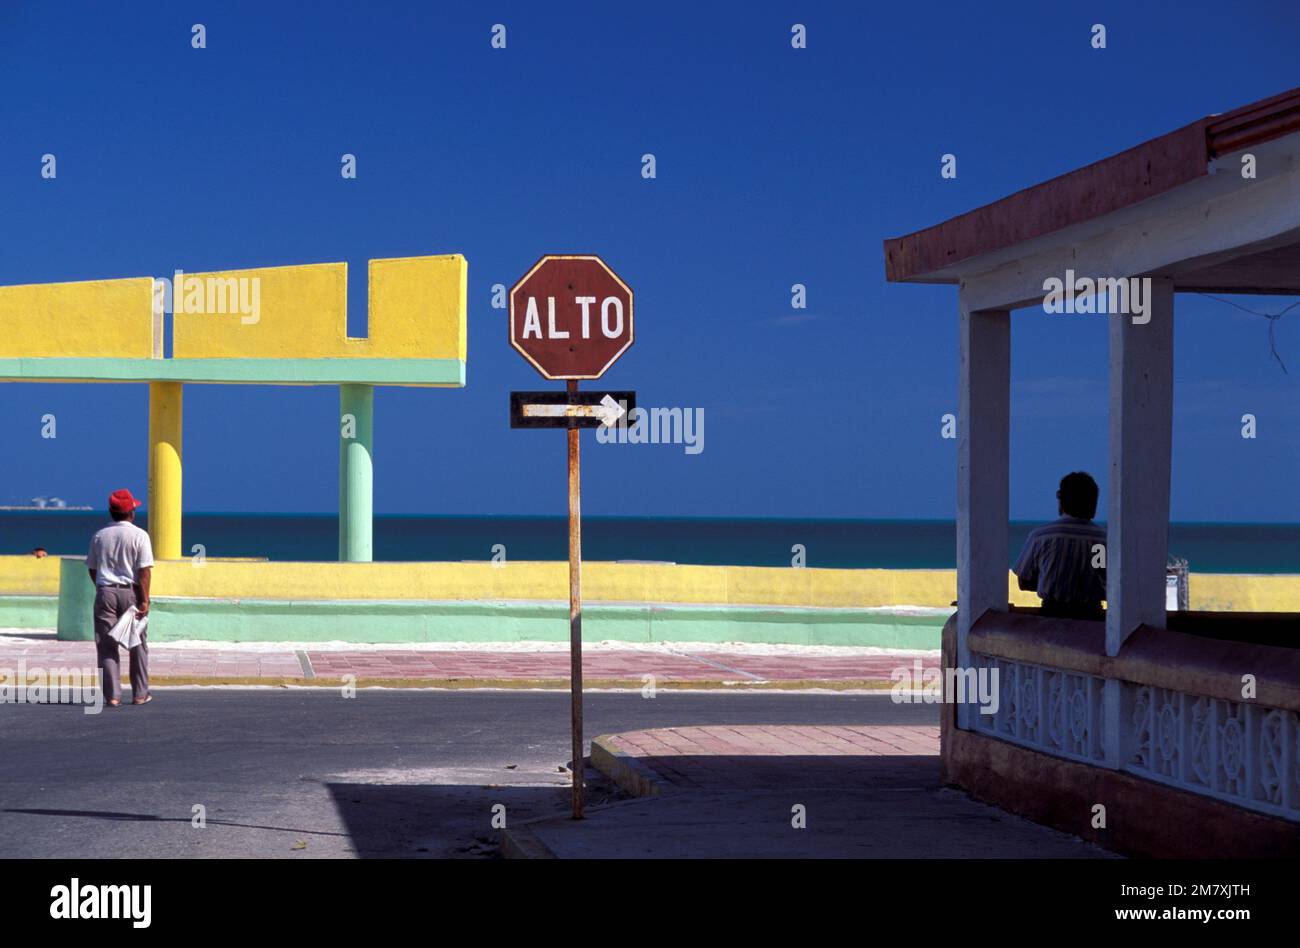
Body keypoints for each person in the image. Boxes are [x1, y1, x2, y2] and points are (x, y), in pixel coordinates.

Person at [87, 489, 154, 707]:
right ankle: (140, 693)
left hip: (105, 591)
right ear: (132, 512)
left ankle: (113, 696)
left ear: (111, 512)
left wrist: (103, 588)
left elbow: (93, 569)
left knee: (106, 645)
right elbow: (144, 572)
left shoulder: (99, 536)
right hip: (132, 592)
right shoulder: (140, 535)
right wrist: (144, 599)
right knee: (137, 644)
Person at [1013, 472, 1107, 620]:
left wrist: (1053, 581)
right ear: (1093, 503)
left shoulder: (1042, 536)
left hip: (1052, 615)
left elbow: (1024, 581)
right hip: (1092, 618)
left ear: (1061, 500)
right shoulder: (1101, 539)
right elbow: (1104, 577)